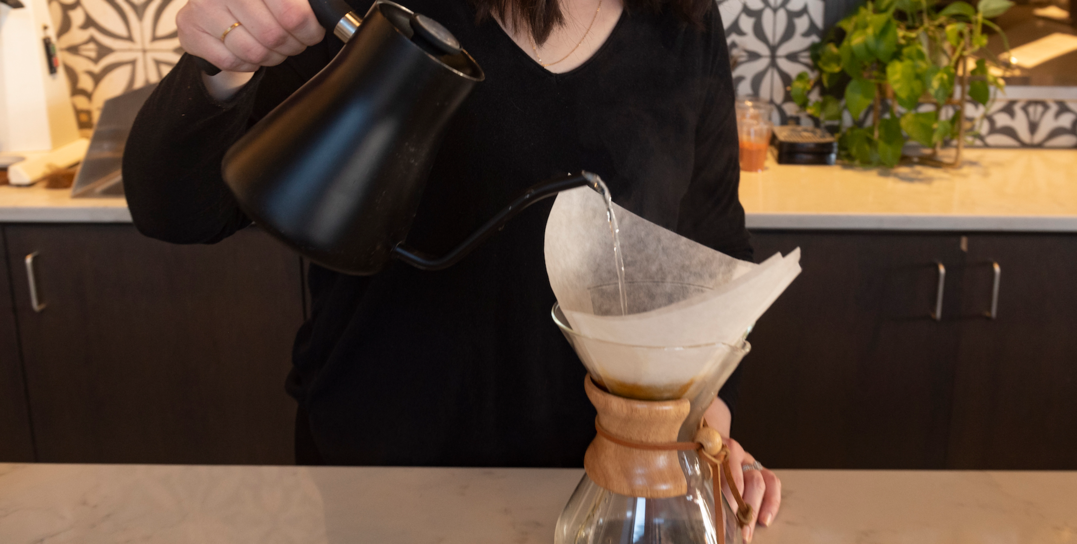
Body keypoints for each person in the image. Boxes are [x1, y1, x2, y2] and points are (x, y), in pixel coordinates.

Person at [123, 0, 782, 538]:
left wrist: (707, 426)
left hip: (603, 481)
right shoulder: (369, 12)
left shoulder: (681, 23)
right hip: (385, 474)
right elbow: (180, 211)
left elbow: (710, 247)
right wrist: (222, 62)